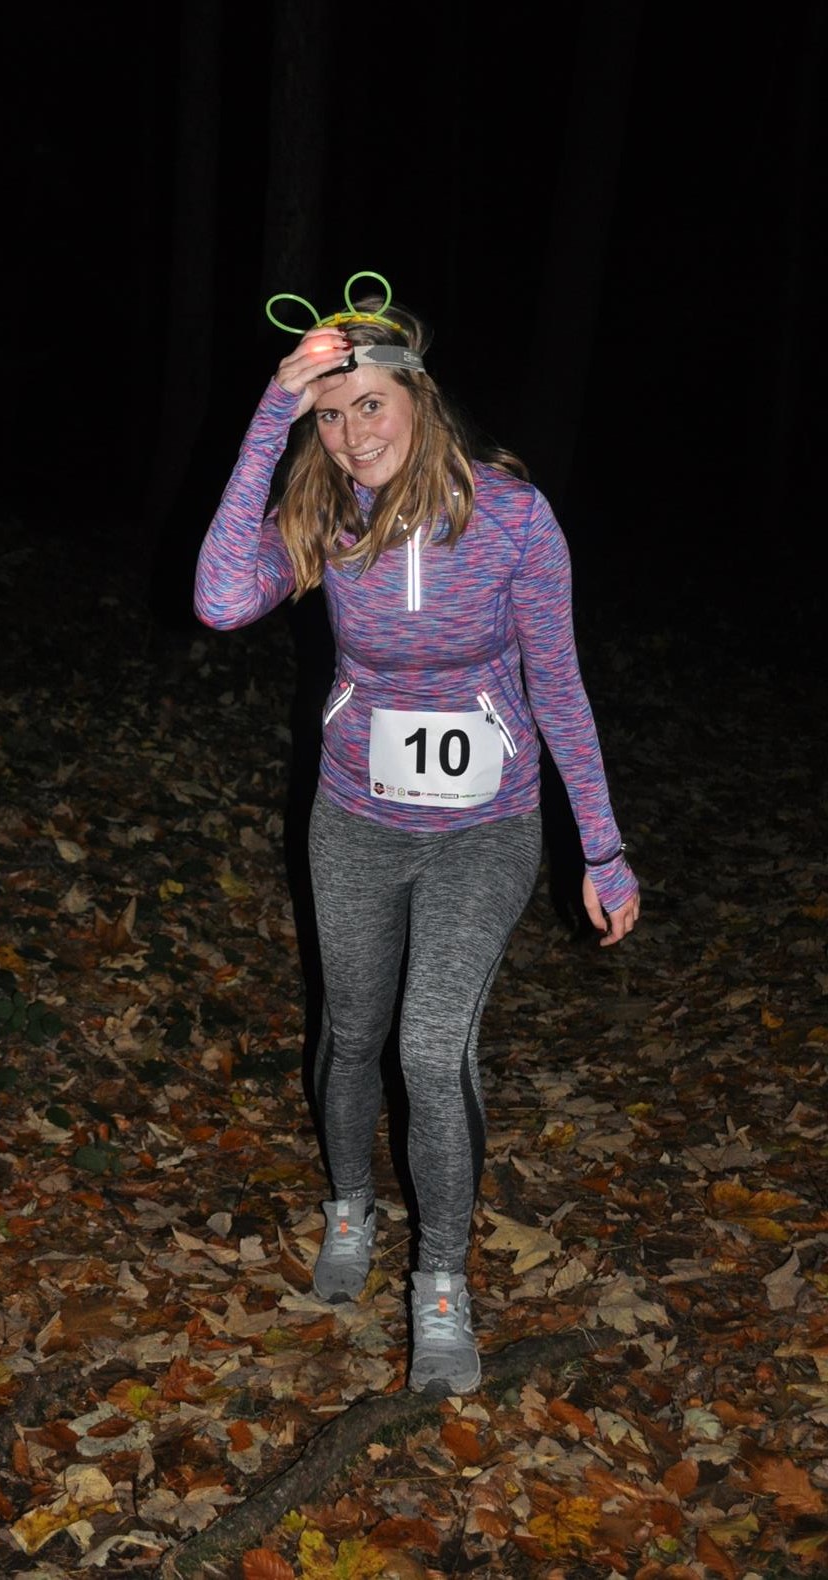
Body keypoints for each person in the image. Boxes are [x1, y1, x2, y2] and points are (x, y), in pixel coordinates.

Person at [193, 279, 639, 1396]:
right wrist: (272, 412)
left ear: (419, 399)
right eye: (330, 416)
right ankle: (349, 1206)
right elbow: (218, 599)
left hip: (484, 828)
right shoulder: (322, 515)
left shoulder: (512, 517)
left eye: (369, 407)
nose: (353, 436)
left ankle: (440, 1280)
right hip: (355, 819)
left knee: (432, 1049)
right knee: (351, 1032)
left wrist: (600, 844)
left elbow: (559, 683)